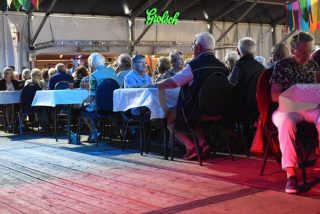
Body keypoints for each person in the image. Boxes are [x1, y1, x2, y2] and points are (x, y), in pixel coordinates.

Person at [152, 32, 229, 160]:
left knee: (170, 118)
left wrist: (156, 85)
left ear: (198, 47)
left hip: (196, 111)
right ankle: (203, 143)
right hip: (221, 111)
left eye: (193, 46)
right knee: (195, 115)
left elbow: (173, 83)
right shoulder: (222, 66)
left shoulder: (194, 66)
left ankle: (191, 147)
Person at [270, 32, 320, 194]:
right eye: (304, 51)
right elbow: (274, 95)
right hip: (288, 108)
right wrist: (295, 95)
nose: (308, 55)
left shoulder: (314, 66)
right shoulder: (282, 65)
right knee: (286, 123)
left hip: (310, 107)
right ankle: (291, 173)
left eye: (310, 51)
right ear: (293, 50)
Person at [83, 53, 120, 141]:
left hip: (100, 106)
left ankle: (94, 131)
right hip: (114, 105)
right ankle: (116, 130)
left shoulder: (93, 76)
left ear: (91, 64)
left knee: (84, 111)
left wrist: (83, 101)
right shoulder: (112, 72)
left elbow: (92, 96)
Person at [228, 37, 265, 122]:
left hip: (240, 108)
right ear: (254, 51)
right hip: (257, 106)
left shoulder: (239, 66)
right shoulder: (261, 67)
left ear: (238, 51)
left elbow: (230, 86)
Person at [0, 67, 20, 132]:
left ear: (11, 74)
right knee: (8, 107)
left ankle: (12, 125)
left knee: (12, 107)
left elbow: (18, 91)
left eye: (7, 73)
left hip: (15, 103)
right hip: (3, 103)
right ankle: (10, 125)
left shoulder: (15, 82)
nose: (5, 75)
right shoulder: (1, 82)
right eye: (4, 73)